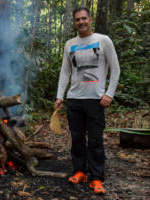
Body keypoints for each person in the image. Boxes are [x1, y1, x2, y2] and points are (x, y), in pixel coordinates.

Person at [55, 7, 120, 195]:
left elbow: (115, 69)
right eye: (77, 19)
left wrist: (109, 94)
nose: (81, 22)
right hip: (74, 99)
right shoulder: (69, 44)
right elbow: (65, 72)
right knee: (76, 139)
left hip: (96, 100)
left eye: (84, 18)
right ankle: (79, 172)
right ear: (74, 22)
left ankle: (96, 178)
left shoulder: (103, 40)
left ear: (90, 20)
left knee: (95, 140)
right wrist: (60, 96)